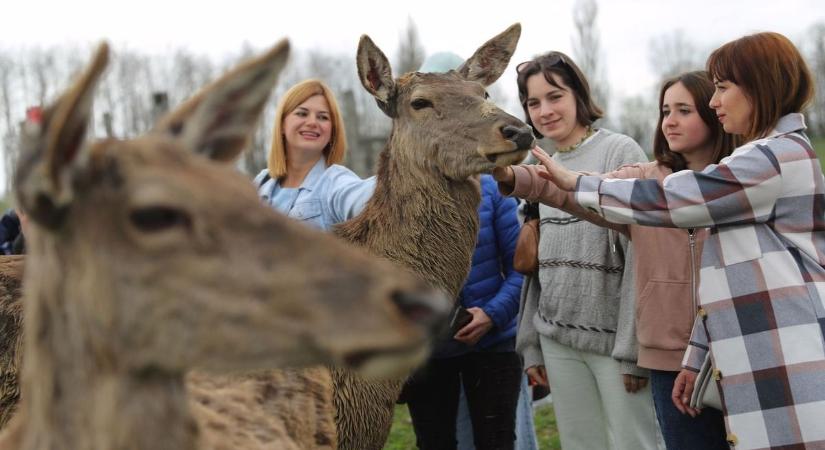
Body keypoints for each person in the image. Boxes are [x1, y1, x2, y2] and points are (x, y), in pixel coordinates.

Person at [530, 32, 823, 450]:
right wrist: (697, 358)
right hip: (759, 354)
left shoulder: (775, 158)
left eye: (722, 88)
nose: (715, 101)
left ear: (760, 85)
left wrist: (579, 183)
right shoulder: (761, 157)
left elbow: (671, 199)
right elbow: (726, 280)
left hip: (785, 358)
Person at [495, 70, 733, 450]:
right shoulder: (644, 178)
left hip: (723, 348)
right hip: (650, 355)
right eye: (665, 110)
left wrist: (630, 353)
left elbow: (632, 262)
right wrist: (508, 172)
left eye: (684, 110)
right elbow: (573, 193)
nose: (669, 120)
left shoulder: (739, 183)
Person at [507, 51, 661, 450]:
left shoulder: (620, 152)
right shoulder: (542, 164)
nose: (544, 110)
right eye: (533, 102)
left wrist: (632, 351)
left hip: (614, 345)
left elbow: (641, 258)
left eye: (554, 96)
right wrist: (532, 344)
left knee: (634, 443)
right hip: (558, 341)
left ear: (578, 94)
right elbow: (535, 267)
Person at [398, 51, 535, 450]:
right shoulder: (400, 197)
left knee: (496, 440)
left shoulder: (491, 186)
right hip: (430, 351)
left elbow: (519, 266)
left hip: (491, 346)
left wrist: (491, 314)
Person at [254, 78, 374, 229]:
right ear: (282, 125)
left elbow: (368, 198)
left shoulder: (336, 182)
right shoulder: (261, 183)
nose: (312, 122)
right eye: (302, 114)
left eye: (323, 117)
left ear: (332, 131)